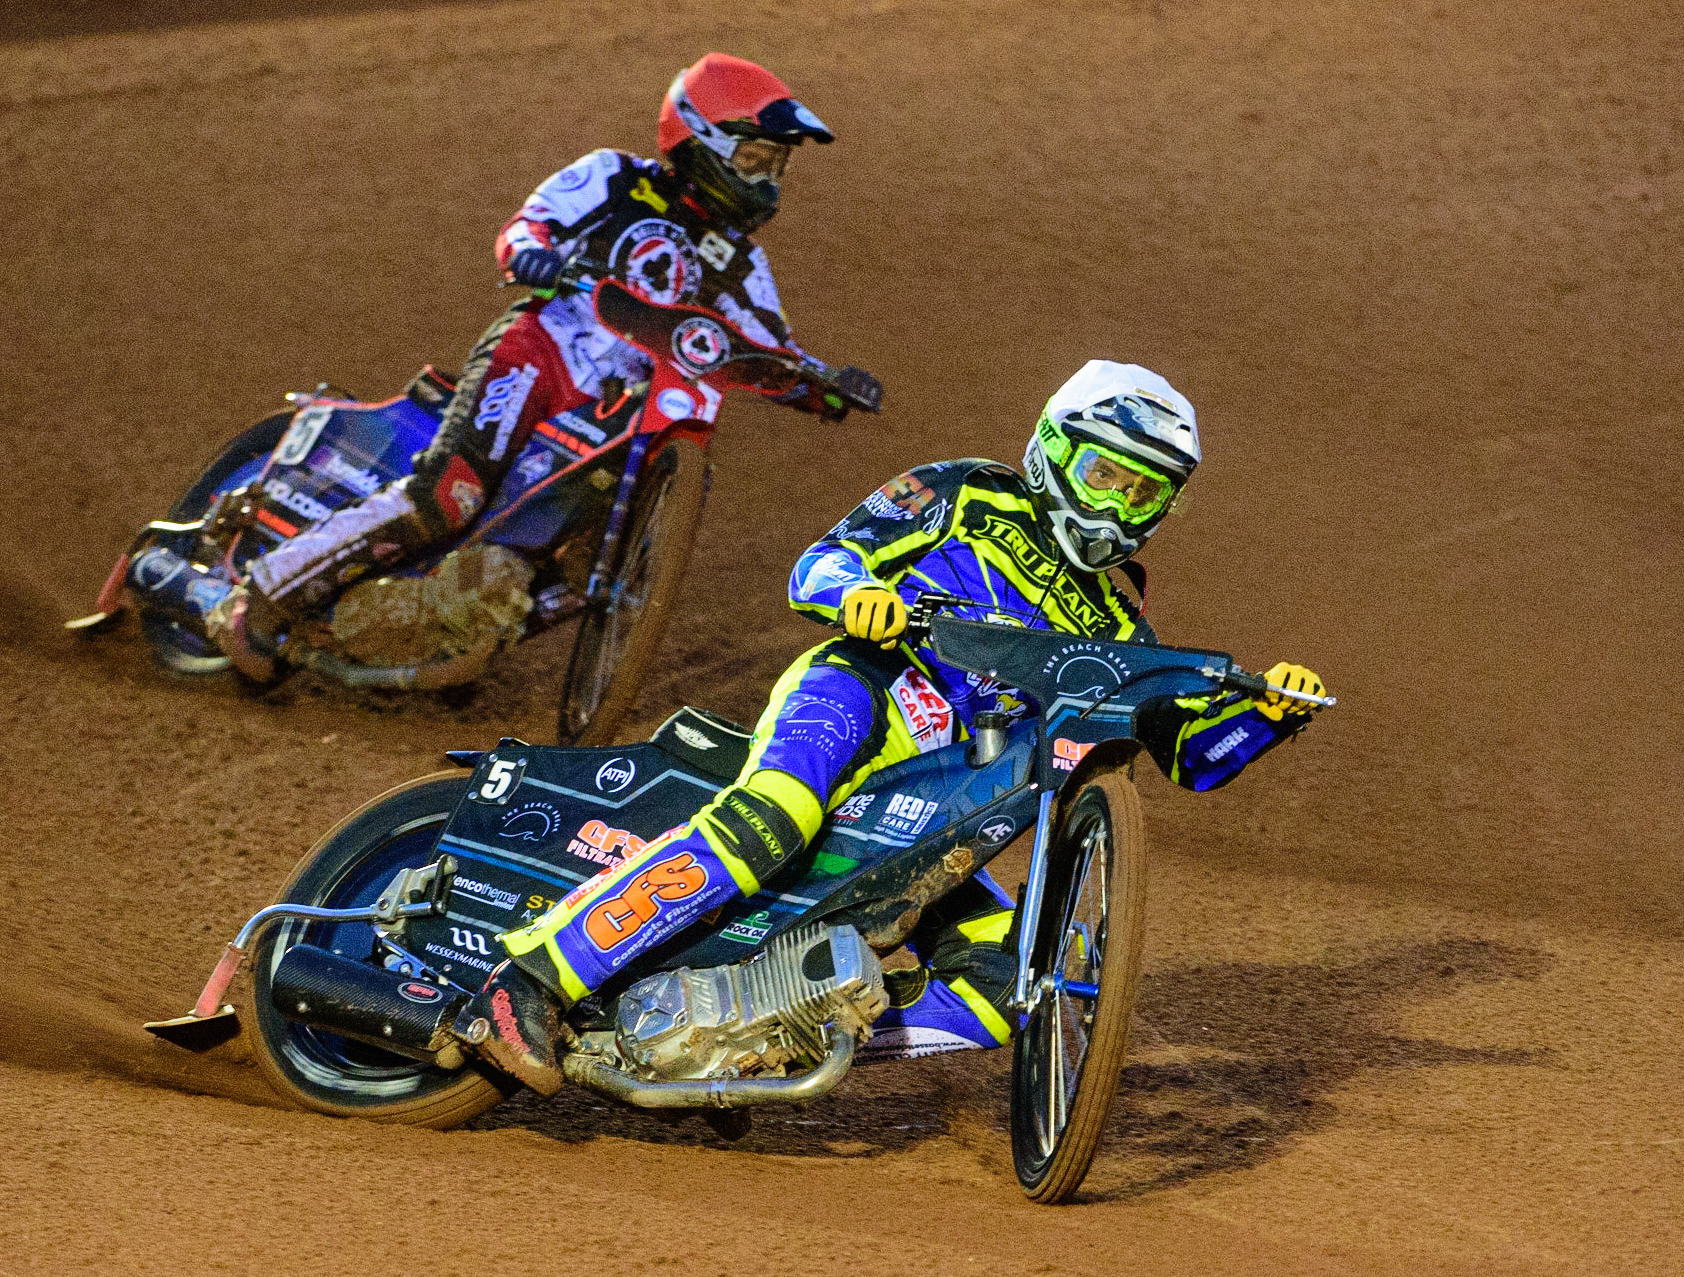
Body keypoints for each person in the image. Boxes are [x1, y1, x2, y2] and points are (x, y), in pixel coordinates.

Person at [466, 359, 1330, 1094]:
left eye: (1143, 492)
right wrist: (859, 596)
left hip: (941, 800)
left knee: (1000, 983)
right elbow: (822, 562)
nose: (1117, 504)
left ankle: (745, 1045)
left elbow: (1187, 752)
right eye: (1106, 473)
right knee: (779, 813)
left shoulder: (1118, 621)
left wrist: (1264, 713)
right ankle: (527, 981)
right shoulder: (961, 491)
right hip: (863, 693)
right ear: (1054, 448)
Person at [207, 52, 878, 679]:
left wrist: (824, 386)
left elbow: (768, 347)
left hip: (617, 415)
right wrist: (531, 253)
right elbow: (527, 226)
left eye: (776, 167)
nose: (766, 180)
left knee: (592, 547)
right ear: (700, 137)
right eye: (754, 158)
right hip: (541, 353)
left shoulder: (741, 264)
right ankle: (260, 595)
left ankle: (445, 620)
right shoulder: (615, 178)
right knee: (449, 496)